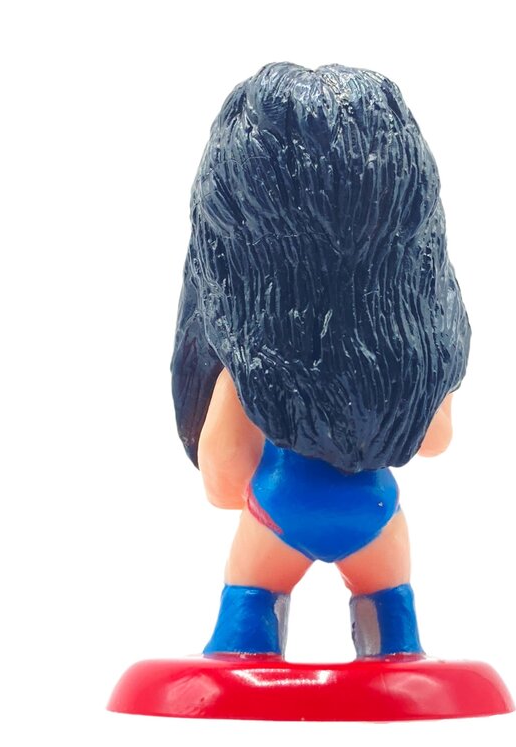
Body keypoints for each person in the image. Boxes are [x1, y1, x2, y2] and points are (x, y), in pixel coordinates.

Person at [171, 62, 470, 659]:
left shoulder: (249, 358)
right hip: (375, 512)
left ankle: (247, 653)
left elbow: (224, 479)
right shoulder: (412, 349)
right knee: (392, 618)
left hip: (280, 509)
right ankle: (394, 654)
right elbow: (435, 439)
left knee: (249, 607)